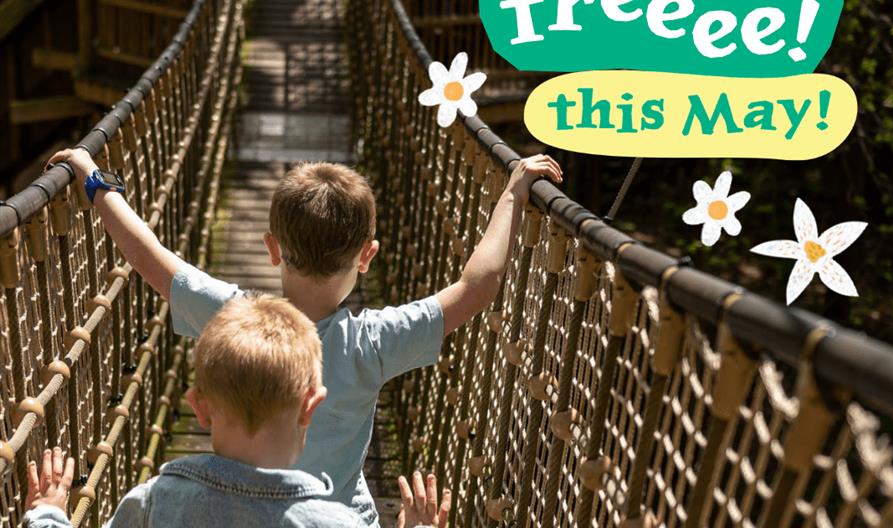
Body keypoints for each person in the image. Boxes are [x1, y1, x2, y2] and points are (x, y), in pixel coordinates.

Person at [46, 148, 562, 525]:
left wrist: (95, 180)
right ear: (367, 256)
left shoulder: (235, 320)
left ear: (272, 248)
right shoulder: (373, 342)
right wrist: (512, 192)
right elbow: (478, 286)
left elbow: (148, 255)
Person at [22, 295, 452, 527]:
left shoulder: (154, 502)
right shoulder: (336, 522)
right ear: (311, 407)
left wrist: (47, 513)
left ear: (198, 407)